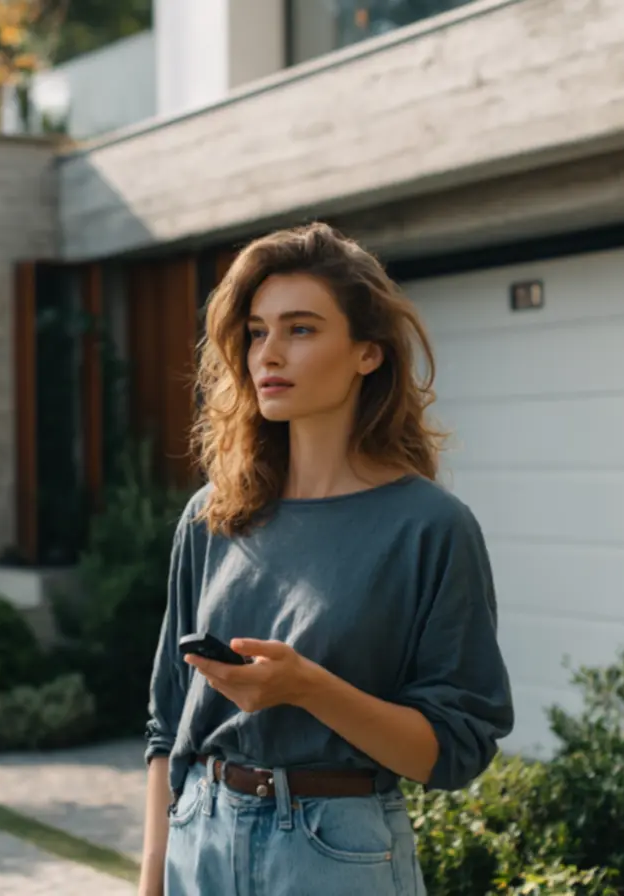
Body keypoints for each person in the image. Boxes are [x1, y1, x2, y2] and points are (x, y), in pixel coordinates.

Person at [137, 222, 515, 896]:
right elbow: (167, 724)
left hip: (333, 852)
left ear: (368, 353)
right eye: (257, 332)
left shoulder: (430, 527)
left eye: (301, 329)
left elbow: (455, 749)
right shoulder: (211, 515)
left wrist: (308, 688)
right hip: (199, 835)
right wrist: (151, 882)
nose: (269, 353)